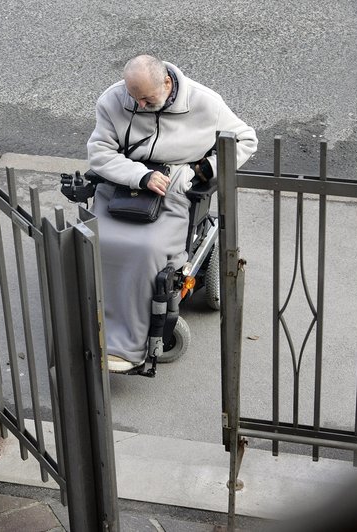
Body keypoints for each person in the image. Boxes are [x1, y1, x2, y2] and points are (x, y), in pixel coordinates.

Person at [87, 54, 257, 373]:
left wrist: (205, 169)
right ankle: (94, 331)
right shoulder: (112, 100)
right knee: (98, 241)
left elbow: (246, 139)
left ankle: (128, 345)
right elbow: (99, 153)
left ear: (167, 83)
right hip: (124, 181)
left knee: (146, 249)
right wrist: (139, 175)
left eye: (147, 98)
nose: (138, 105)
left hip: (174, 187)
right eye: (133, 98)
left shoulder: (205, 102)